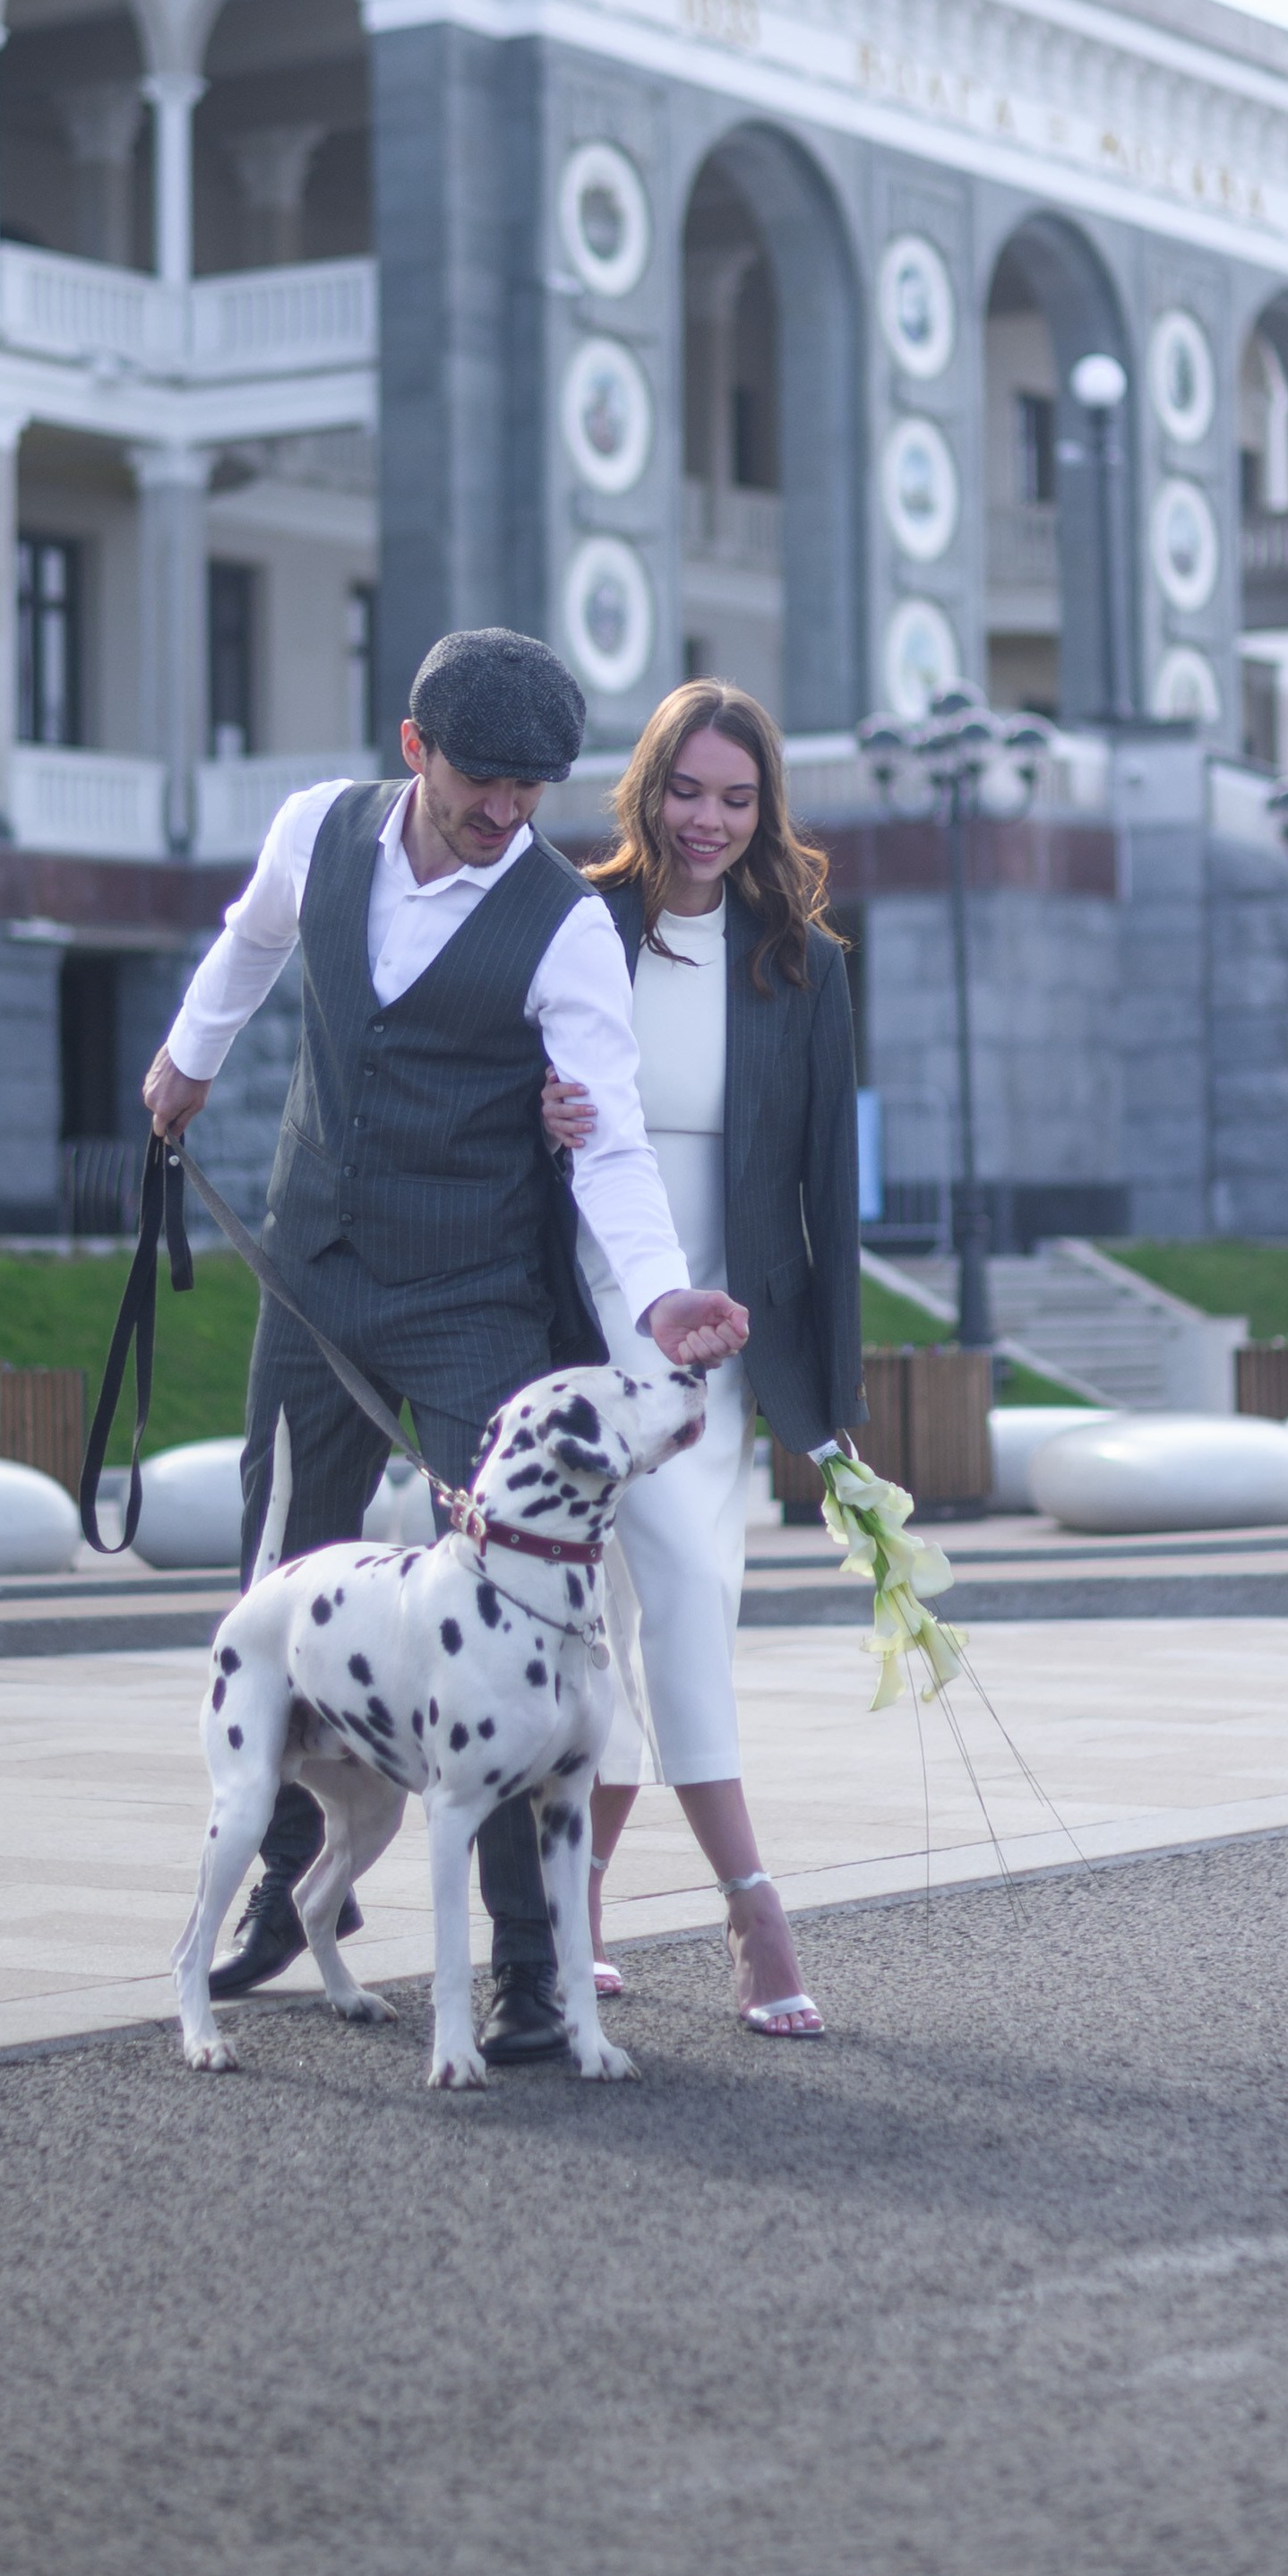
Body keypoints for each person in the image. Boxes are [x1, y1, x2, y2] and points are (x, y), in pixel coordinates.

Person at [142, 628, 750, 2064]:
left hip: (473, 1298)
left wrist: (660, 1301)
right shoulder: (319, 829)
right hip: (317, 1266)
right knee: (277, 1570)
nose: (508, 812)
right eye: (484, 781)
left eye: (535, 788)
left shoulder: (559, 921)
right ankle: (294, 1895)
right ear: (416, 750)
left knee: (523, 1605)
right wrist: (186, 1062)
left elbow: (601, 1134)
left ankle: (533, 1979)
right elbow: (248, 946)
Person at [542, 679, 862, 2037]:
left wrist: (833, 1407)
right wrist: (538, 1109)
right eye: (689, 791)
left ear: (765, 808)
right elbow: (503, 1096)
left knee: (667, 1605)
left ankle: (579, 1906)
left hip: (728, 1326)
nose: (710, 821)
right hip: (593, 1303)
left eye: (738, 798)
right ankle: (754, 1905)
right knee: (648, 1592)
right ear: (648, 788)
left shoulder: (804, 961)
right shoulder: (577, 921)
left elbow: (829, 1198)